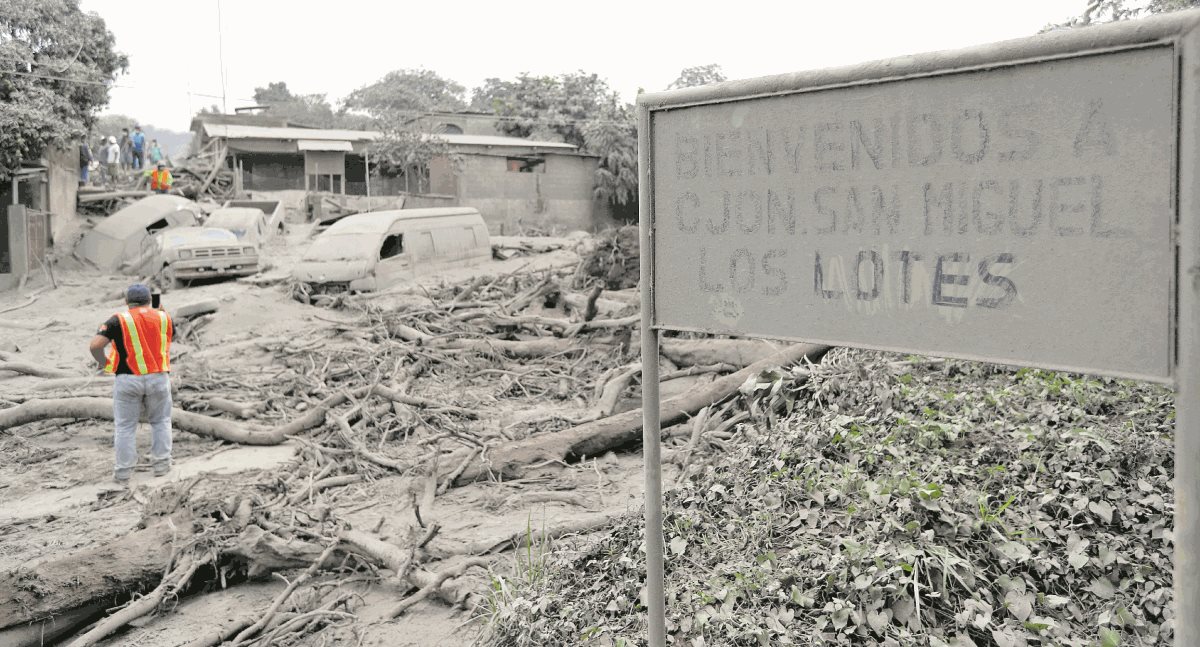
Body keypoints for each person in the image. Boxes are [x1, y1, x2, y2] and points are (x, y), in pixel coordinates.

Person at [87, 284, 174, 484]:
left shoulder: (119, 320)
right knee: (161, 422)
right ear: (149, 300)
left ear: (127, 302)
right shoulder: (163, 317)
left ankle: (123, 473)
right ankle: (161, 465)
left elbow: (95, 345)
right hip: (159, 377)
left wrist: (104, 363)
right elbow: (167, 335)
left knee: (125, 427)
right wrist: (157, 305)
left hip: (127, 378)